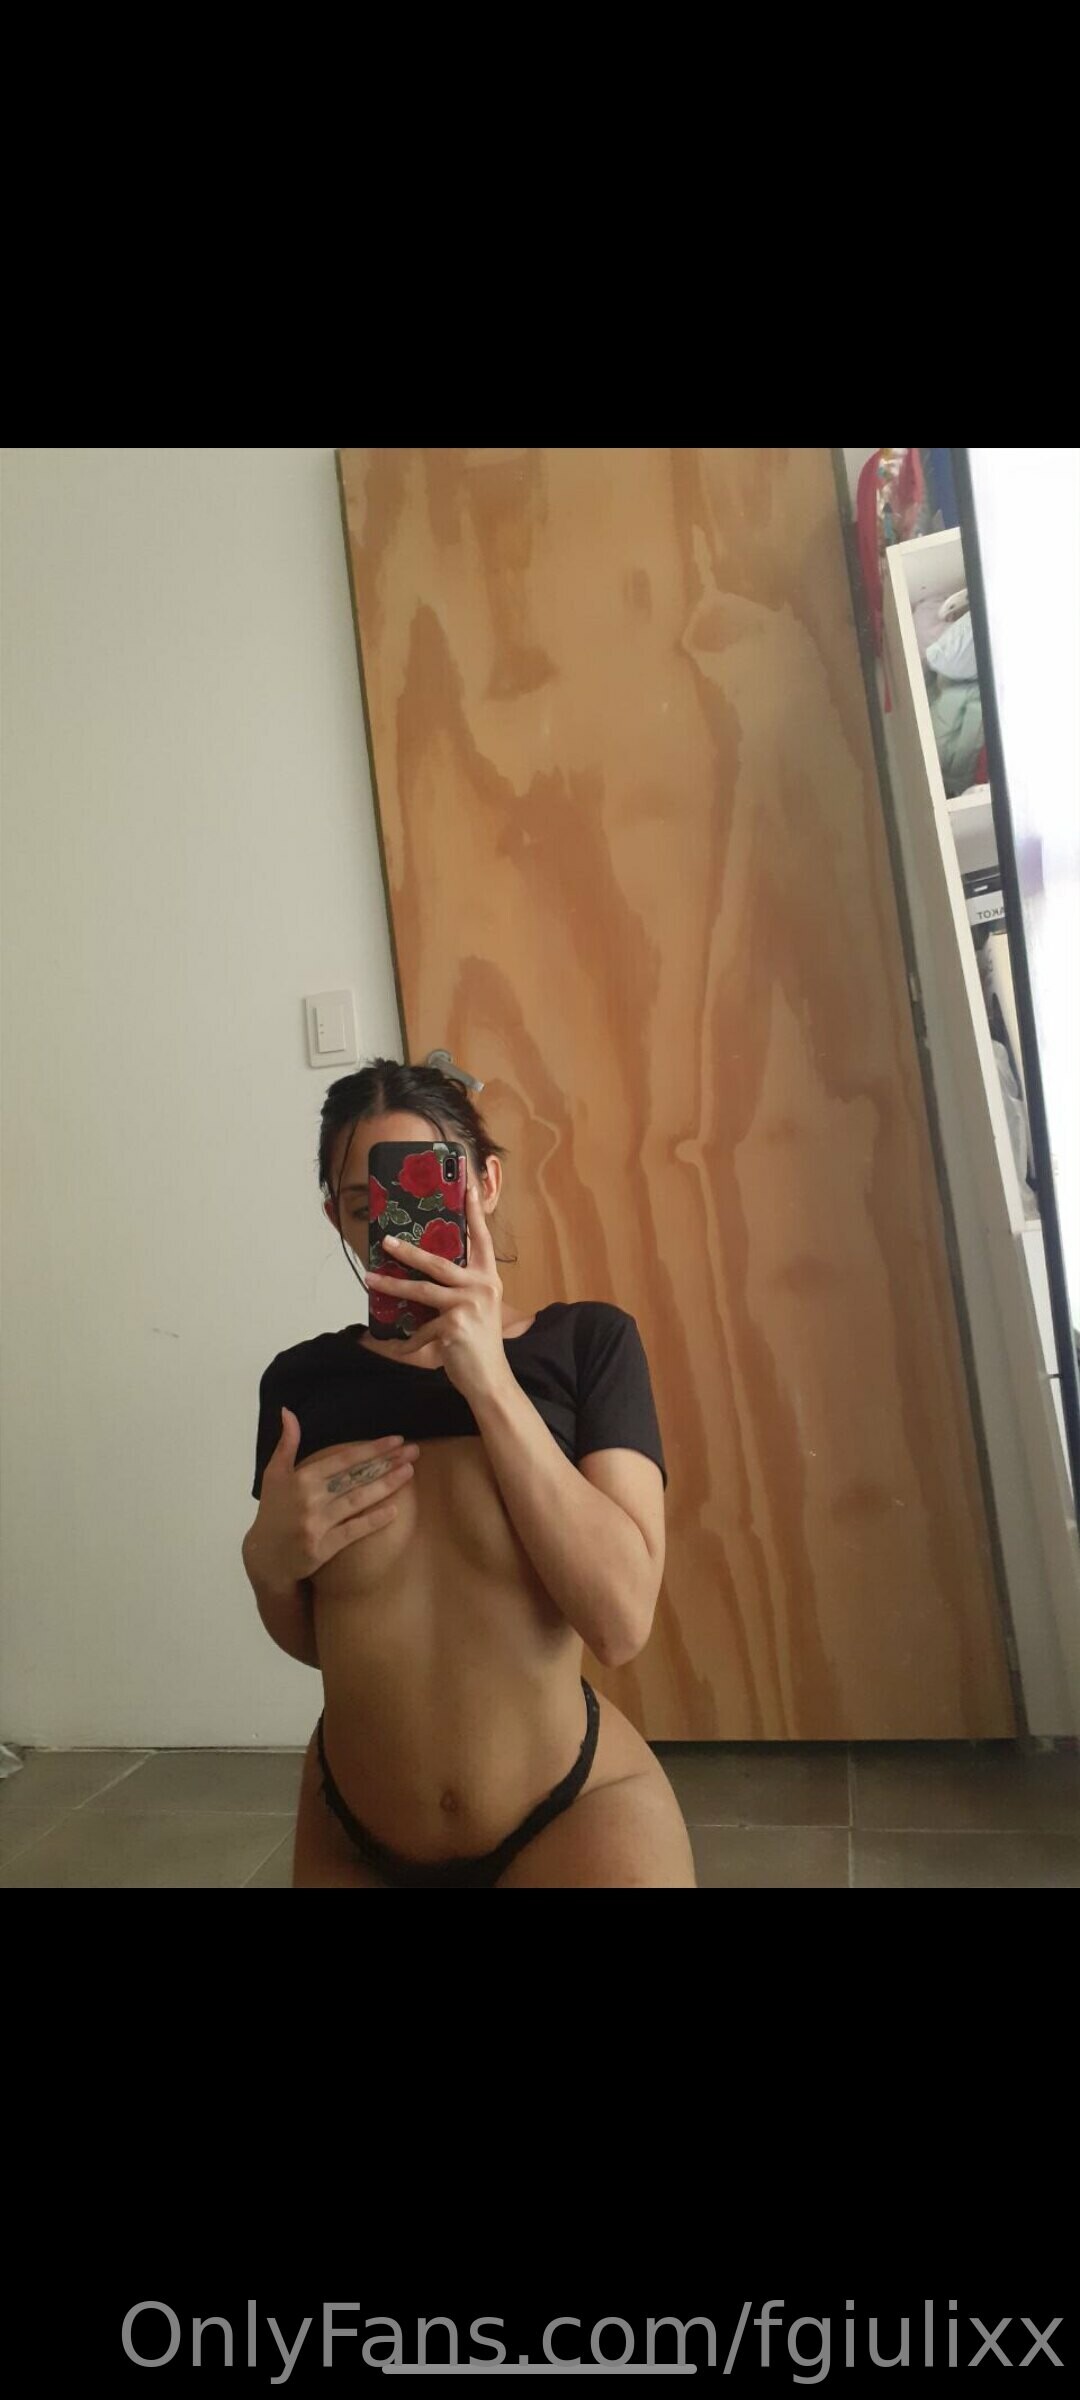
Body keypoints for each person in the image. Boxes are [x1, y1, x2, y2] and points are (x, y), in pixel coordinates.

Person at [242, 1059, 696, 1888]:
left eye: (426, 1193)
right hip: (353, 1826)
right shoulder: (301, 1384)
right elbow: (315, 1640)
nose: (398, 1232)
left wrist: (489, 1381)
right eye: (364, 1207)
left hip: (573, 1812)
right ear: (336, 1217)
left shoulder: (588, 1346)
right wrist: (265, 1564)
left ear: (484, 1185)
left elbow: (621, 1622)